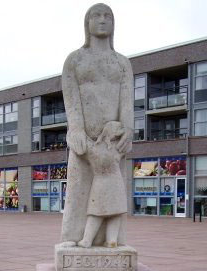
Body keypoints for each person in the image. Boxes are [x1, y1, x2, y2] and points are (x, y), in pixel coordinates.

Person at [60, 3, 133, 248]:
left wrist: (129, 129)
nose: (102, 20)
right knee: (79, 187)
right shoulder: (75, 60)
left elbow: (127, 99)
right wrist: (77, 129)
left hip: (113, 140)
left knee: (113, 191)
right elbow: (71, 98)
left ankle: (113, 239)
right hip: (84, 138)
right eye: (96, 16)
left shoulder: (122, 63)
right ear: (87, 23)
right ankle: (73, 236)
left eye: (107, 16)